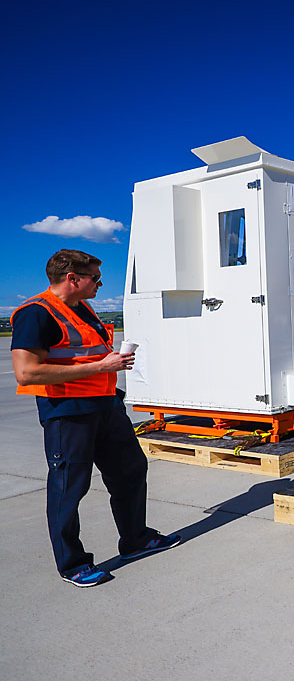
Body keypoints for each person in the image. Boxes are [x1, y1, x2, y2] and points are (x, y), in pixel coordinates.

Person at [10, 249, 181, 588]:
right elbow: (26, 372)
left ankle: (135, 539)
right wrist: (101, 366)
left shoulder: (83, 310)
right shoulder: (36, 313)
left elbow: (81, 356)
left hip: (106, 406)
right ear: (72, 278)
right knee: (70, 487)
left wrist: (111, 361)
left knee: (131, 471)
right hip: (69, 414)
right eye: (95, 278)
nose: (100, 284)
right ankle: (72, 564)